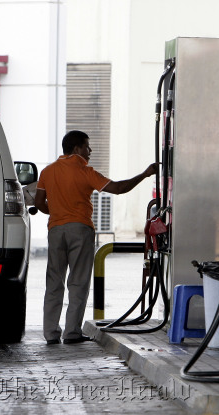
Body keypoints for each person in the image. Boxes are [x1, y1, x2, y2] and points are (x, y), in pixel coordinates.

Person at [34, 130, 157, 345]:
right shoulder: (85, 171)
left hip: (55, 230)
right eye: (87, 147)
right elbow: (119, 188)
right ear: (76, 149)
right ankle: (71, 333)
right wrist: (145, 174)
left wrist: (57, 213)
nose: (90, 151)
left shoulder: (47, 172)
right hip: (80, 230)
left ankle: (50, 333)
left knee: (54, 282)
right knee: (78, 282)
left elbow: (38, 203)